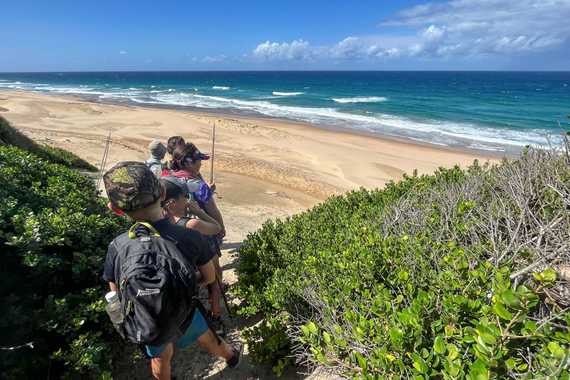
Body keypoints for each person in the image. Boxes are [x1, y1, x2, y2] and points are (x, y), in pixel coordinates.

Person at [102, 162, 242, 380]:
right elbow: (209, 277)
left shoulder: (117, 246)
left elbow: (115, 292)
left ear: (115, 209)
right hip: (184, 311)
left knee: (160, 358)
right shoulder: (189, 236)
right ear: (163, 192)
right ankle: (231, 357)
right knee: (207, 338)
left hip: (147, 319)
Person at [170, 143, 227, 332]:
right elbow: (213, 210)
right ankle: (216, 316)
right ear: (187, 162)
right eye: (198, 161)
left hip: (173, 233)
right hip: (200, 235)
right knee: (215, 276)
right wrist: (221, 229)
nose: (201, 165)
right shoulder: (197, 185)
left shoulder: (167, 178)